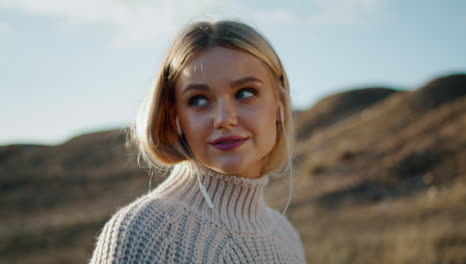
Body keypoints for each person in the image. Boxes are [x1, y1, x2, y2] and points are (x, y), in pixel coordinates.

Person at [89, 20, 306, 264]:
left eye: (245, 93)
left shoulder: (286, 235)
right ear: (176, 118)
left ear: (279, 104)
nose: (224, 119)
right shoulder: (146, 232)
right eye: (199, 100)